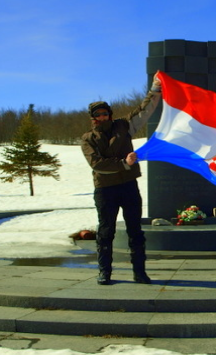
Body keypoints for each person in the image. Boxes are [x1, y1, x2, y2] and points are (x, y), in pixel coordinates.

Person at [81, 74, 162, 285]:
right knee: (106, 231)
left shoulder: (123, 126)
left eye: (105, 113)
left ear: (110, 114)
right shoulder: (88, 138)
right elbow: (97, 164)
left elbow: (144, 111)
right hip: (105, 189)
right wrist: (124, 163)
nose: (103, 116)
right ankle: (104, 272)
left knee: (135, 230)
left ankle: (140, 273)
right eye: (98, 114)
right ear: (93, 117)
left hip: (128, 186)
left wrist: (156, 88)